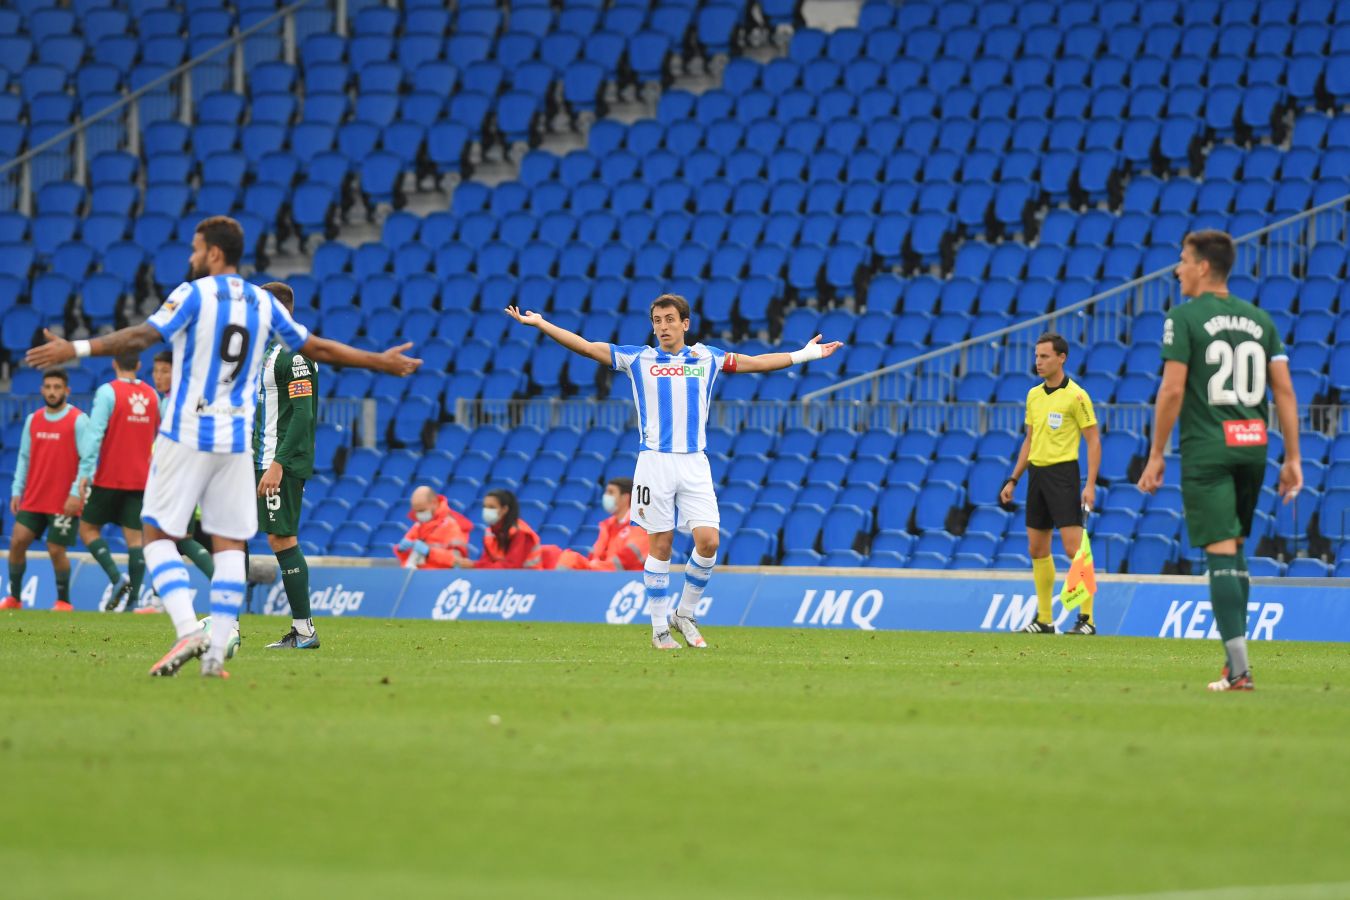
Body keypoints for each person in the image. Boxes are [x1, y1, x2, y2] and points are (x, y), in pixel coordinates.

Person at [26, 215, 421, 678]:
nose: (191, 257)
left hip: (189, 431)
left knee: (156, 535)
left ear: (214, 253)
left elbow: (141, 337)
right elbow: (322, 349)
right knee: (231, 544)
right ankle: (216, 652)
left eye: (196, 249)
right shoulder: (261, 303)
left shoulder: (194, 294)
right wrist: (380, 361)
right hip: (236, 443)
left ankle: (189, 628)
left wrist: (76, 348)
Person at [507, 294, 842, 649]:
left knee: (709, 541)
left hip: (695, 461)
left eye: (669, 319)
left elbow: (757, 362)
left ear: (685, 323)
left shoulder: (707, 357)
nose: (663, 327)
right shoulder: (638, 358)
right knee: (661, 545)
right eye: (657, 320)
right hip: (654, 462)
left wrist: (806, 353)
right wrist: (542, 324)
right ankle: (659, 629)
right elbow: (588, 348)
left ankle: (684, 613)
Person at [1138, 230, 1301, 692]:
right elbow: (1284, 391)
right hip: (1254, 445)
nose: (1177, 269)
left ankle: (1241, 670)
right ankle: (1235, 664)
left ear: (1203, 267)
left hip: (1208, 447)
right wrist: (1293, 457)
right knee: (1236, 548)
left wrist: (1156, 453)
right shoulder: (1260, 319)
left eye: (1183, 260)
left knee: (1220, 553)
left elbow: (1172, 389)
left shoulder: (1183, 318)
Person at [999, 333, 1102, 635]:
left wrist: (1090, 484)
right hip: (1037, 476)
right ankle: (1045, 619)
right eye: (1036, 356)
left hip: (1063, 475)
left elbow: (1093, 441)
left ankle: (1087, 619)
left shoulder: (1077, 396)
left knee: (1075, 549)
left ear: (1062, 358)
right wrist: (1014, 478)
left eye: (1044, 356)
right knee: (1037, 548)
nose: (1038, 362)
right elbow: (1029, 440)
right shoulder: (1033, 395)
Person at [252, 281, 322, 650]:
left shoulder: (295, 354)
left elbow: (302, 414)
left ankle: (305, 630)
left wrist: (277, 463)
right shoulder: (269, 351)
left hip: (280, 461)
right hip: (260, 456)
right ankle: (226, 618)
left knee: (282, 537)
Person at [3, 369, 97, 612]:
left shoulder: (78, 420)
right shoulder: (33, 420)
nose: (52, 391)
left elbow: (89, 460)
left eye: (57, 387)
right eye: (48, 387)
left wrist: (77, 492)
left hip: (63, 500)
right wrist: (17, 490)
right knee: (17, 542)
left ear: (67, 391)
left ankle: (64, 601)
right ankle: (14, 597)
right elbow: (24, 458)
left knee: (56, 550)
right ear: (42, 390)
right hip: (34, 497)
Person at [79, 353, 160, 612]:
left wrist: (84, 473)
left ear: (114, 363)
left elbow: (94, 435)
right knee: (135, 540)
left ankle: (117, 578)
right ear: (138, 364)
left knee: (88, 529)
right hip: (140, 478)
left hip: (110, 477)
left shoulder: (107, 392)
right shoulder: (152, 395)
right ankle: (134, 601)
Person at [554, 477, 649, 571]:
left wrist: (595, 567)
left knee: (570, 559)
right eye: (606, 492)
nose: (606, 496)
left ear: (625, 498)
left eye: (611, 492)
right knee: (567, 557)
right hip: (602, 575)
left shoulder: (639, 524)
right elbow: (595, 555)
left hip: (624, 578)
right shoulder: (607, 526)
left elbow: (629, 558)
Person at [455, 489, 541, 569]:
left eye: (491, 507)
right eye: (485, 507)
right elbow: (486, 561)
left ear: (504, 509)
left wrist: (475, 565)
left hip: (528, 580)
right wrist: (473, 565)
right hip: (502, 579)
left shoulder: (521, 533)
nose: (486, 510)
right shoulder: (490, 533)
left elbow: (511, 566)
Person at [395, 485, 473, 569]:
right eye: (416, 511)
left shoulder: (452, 525)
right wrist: (401, 551)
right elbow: (406, 558)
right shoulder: (419, 525)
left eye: (421, 510)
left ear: (434, 503)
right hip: (418, 576)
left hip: (440, 578)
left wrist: (429, 552)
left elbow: (458, 560)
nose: (418, 515)